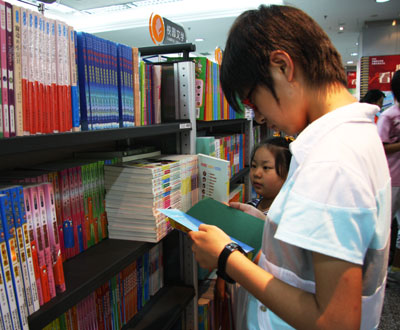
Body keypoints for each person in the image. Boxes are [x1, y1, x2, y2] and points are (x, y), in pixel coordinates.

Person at [188, 4, 391, 330]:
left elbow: (335, 322)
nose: (260, 117)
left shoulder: (332, 162)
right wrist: (270, 227)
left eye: (254, 101)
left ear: (282, 67)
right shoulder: (355, 135)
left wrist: (227, 258)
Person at [377, 70, 400, 284]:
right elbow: (380, 147)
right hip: (392, 179)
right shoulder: (389, 115)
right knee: (387, 224)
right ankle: (385, 270)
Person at [247, 136, 292, 215]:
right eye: (254, 165)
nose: (257, 173)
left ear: (288, 173)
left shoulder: (285, 216)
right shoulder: (250, 205)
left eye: (266, 167)